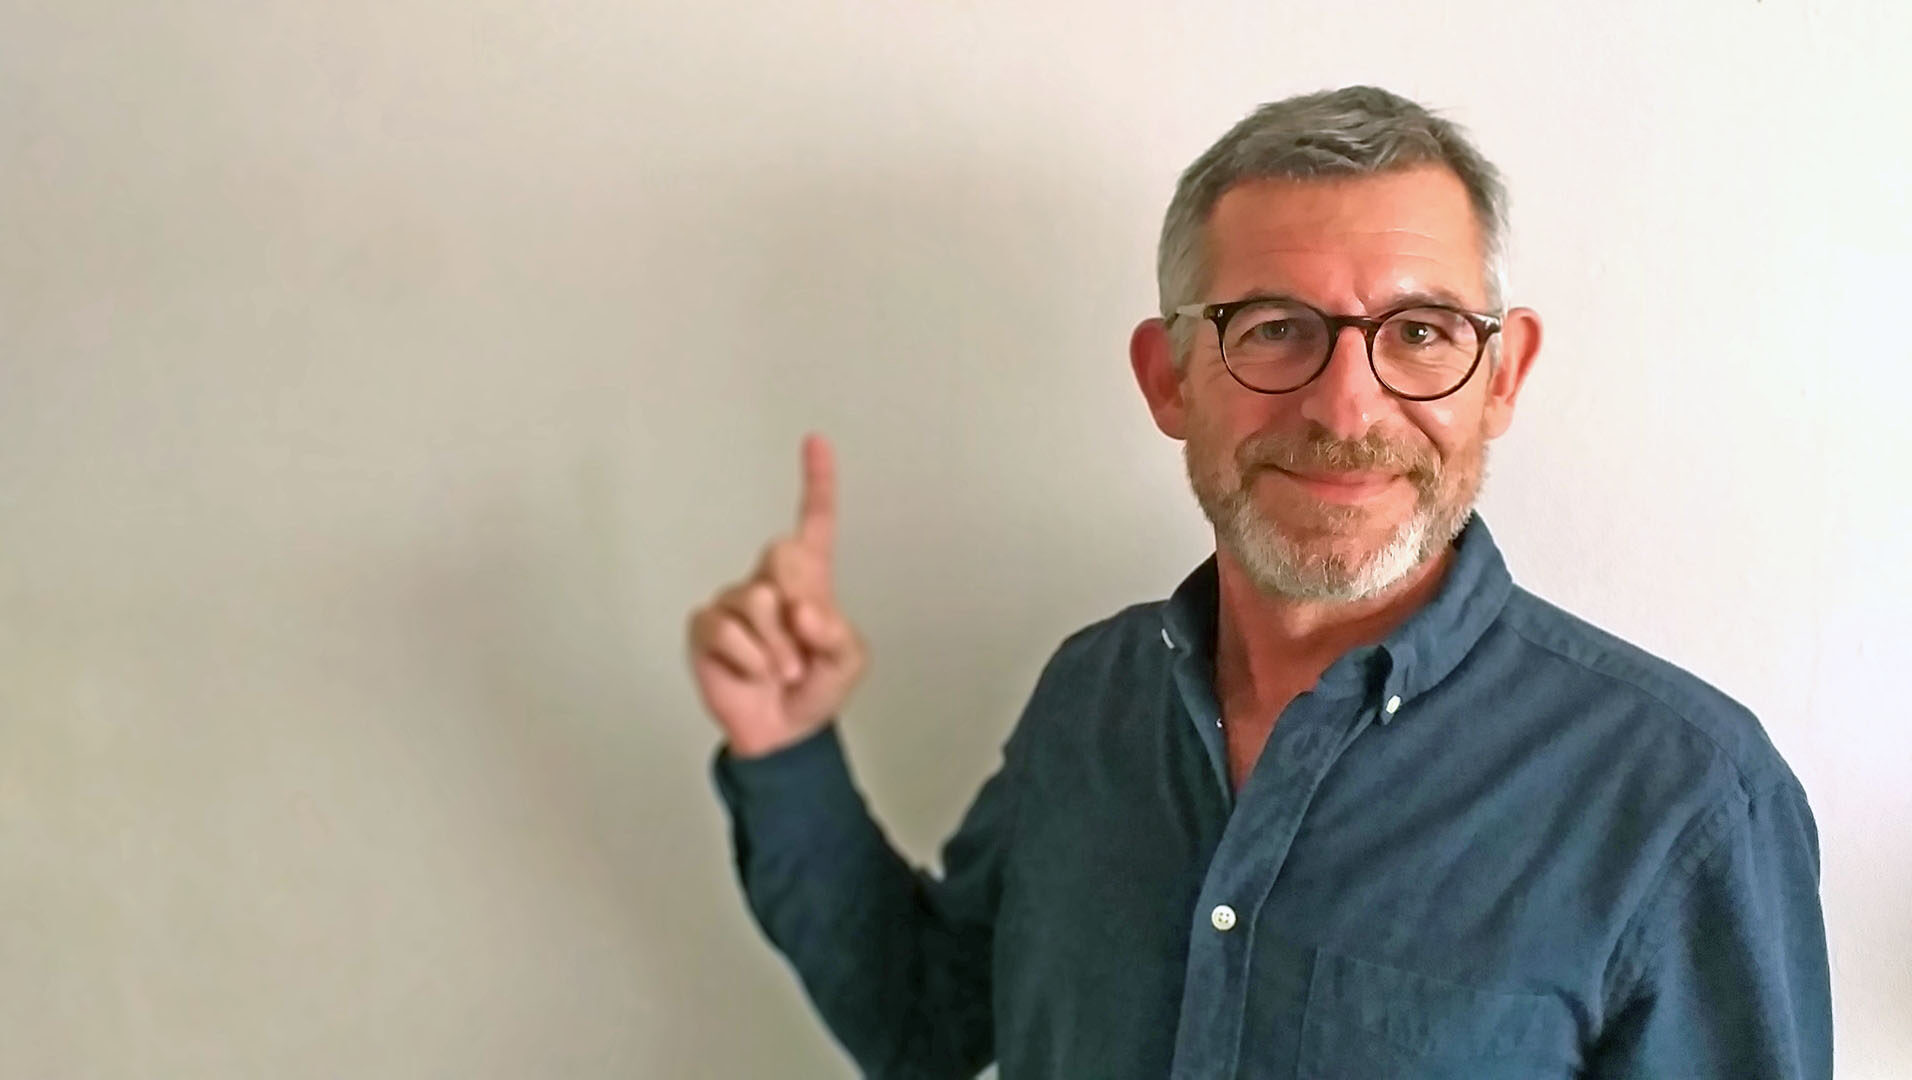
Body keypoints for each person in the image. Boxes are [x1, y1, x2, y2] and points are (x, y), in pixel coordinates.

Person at [683, 86, 1832, 1079]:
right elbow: (924, 1022)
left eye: (1421, 332)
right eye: (1276, 328)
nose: (1347, 407)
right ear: (1170, 378)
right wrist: (786, 754)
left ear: (1502, 375)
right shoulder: (1092, 697)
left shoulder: (1683, 798)